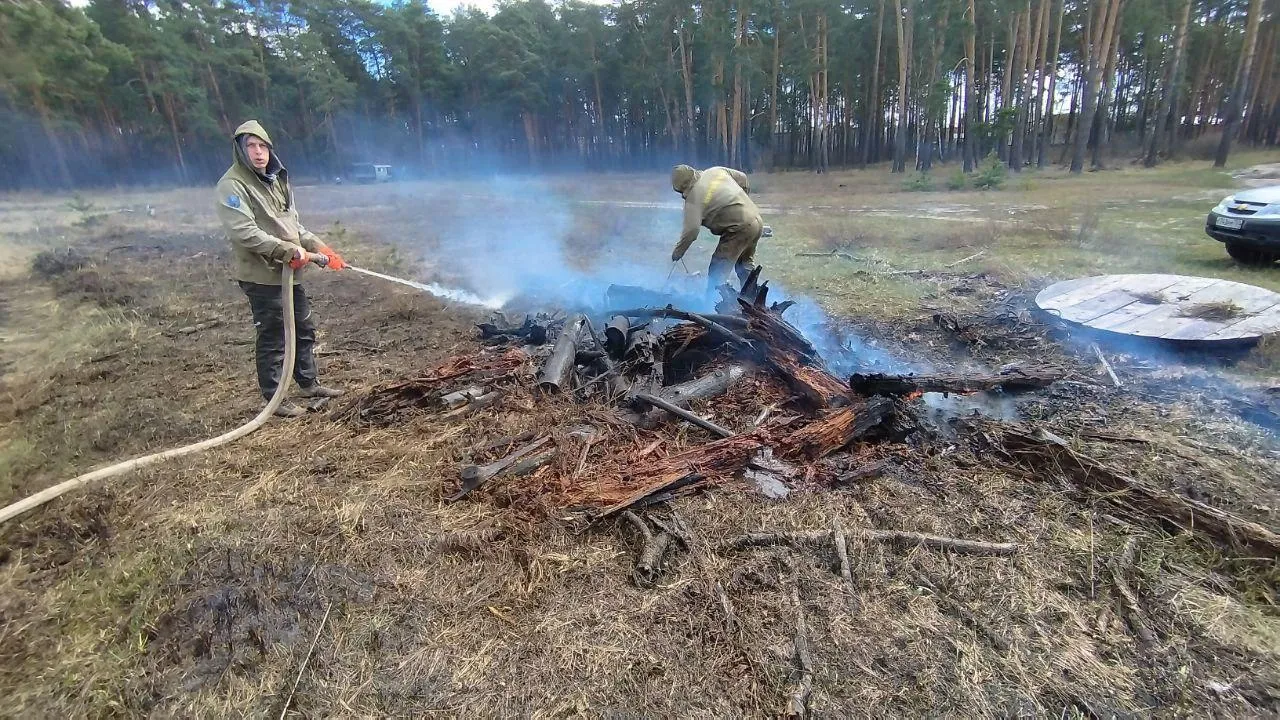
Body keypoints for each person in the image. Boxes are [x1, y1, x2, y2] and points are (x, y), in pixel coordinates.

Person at [215, 120, 347, 418]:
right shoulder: (232, 186)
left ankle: (308, 383)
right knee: (274, 335)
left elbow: (294, 226)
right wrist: (288, 251)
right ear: (240, 150)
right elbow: (245, 232)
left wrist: (323, 249)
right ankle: (275, 398)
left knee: (304, 328)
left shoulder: (277, 180)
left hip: (290, 273)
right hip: (262, 275)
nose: (258, 152)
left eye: (263, 146)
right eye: (251, 146)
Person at [668, 164, 765, 291]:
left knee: (717, 270)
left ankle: (713, 301)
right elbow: (743, 179)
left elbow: (692, 231)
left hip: (738, 230)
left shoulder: (693, 199)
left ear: (680, 188)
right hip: (756, 219)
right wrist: (743, 204)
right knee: (744, 264)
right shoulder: (715, 171)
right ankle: (752, 298)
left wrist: (678, 252)